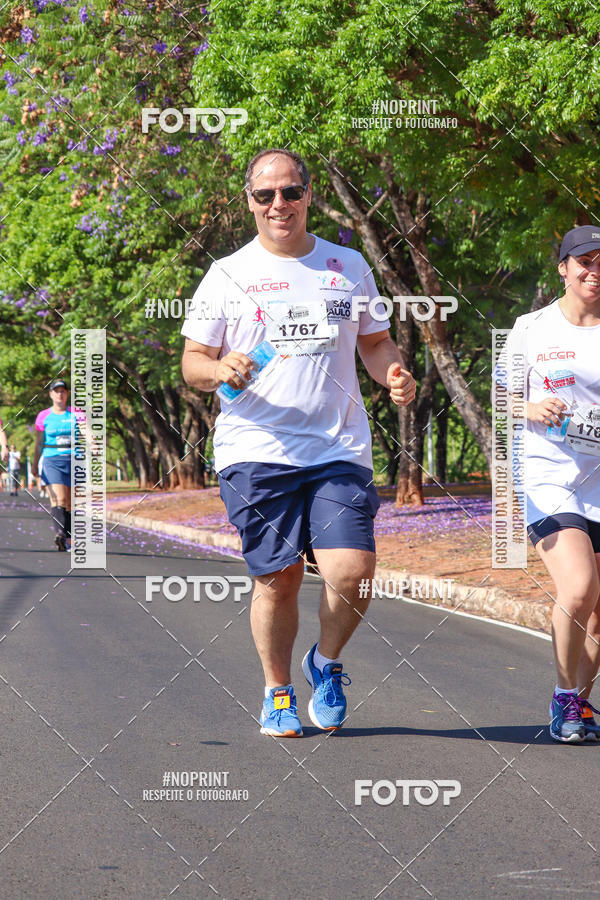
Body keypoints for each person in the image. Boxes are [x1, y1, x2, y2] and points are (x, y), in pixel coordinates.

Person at [181, 148, 416, 737]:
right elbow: (191, 364)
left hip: (337, 446)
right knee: (279, 576)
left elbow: (375, 342)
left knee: (354, 569)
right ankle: (277, 691)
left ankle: (326, 663)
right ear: (250, 203)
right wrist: (219, 369)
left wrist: (393, 372)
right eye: (266, 195)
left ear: (309, 195)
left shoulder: (347, 265)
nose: (278, 204)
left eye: (290, 192)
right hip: (256, 447)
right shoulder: (227, 274)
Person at [501, 225, 600, 743]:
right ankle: (564, 697)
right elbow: (503, 399)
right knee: (579, 586)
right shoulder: (531, 329)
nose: (594, 270)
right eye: (584, 260)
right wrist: (532, 408)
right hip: (549, 474)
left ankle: (578, 707)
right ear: (563, 267)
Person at [33, 379, 82, 551]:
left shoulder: (76, 413)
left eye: (63, 391)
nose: (60, 394)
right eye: (56, 391)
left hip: (75, 459)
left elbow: (87, 431)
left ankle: (68, 537)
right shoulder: (43, 416)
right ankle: (60, 534)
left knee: (70, 502)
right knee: (59, 499)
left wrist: (93, 442)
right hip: (52, 459)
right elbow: (39, 443)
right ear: (51, 394)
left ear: (67, 394)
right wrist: (34, 465)